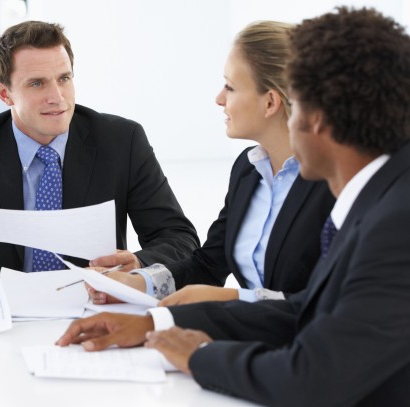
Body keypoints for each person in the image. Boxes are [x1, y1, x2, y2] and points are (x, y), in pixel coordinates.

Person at [57, 7, 410, 406]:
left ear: (317, 119)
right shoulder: (382, 195)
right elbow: (304, 310)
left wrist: (199, 355)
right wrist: (156, 322)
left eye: (298, 107)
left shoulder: (396, 224)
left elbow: (313, 376)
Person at [0, 20, 200, 275]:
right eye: (37, 84)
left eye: (64, 79)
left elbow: (179, 238)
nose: (57, 97)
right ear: (4, 93)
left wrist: (140, 264)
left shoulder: (121, 141)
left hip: (93, 305)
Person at [90, 21, 335, 305]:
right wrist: (137, 283)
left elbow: (326, 302)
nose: (219, 99)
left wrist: (233, 297)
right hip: (248, 337)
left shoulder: (332, 181)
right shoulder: (248, 170)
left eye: (230, 87)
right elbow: (207, 266)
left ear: (270, 103)